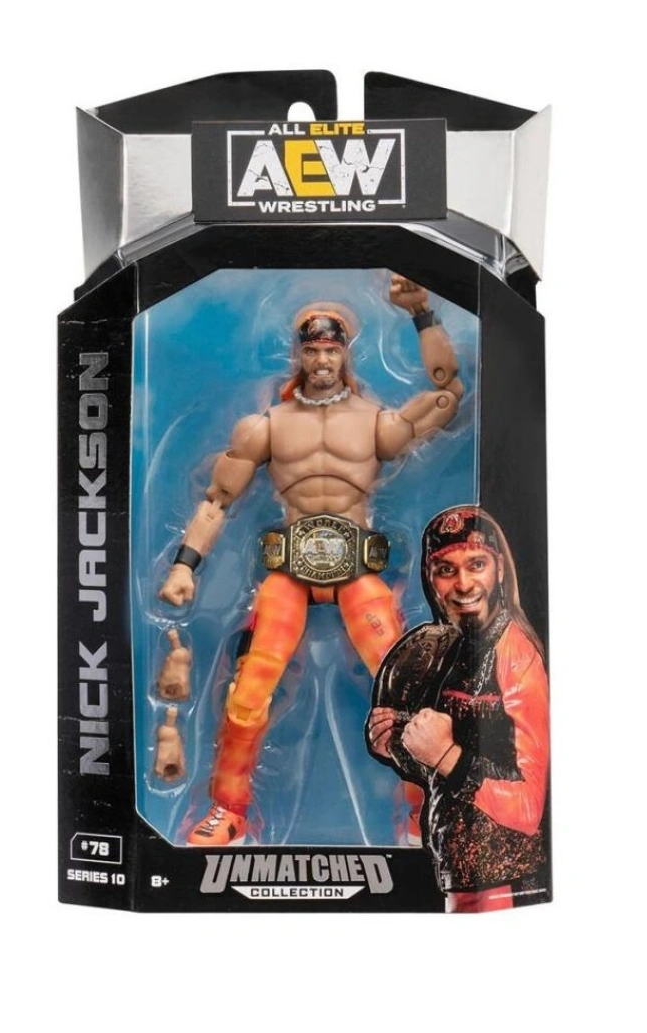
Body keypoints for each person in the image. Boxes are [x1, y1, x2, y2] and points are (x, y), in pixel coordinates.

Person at [159, 277, 465, 845]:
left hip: (358, 572)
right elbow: (217, 501)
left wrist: (422, 313)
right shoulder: (267, 427)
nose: (322, 360)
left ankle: (424, 810)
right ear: (298, 354)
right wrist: (184, 565)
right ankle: (228, 810)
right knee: (249, 689)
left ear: (344, 353)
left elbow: (448, 393)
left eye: (331, 350)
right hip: (290, 573)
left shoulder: (374, 421)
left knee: (405, 688)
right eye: (313, 350)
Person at [367, 505, 549, 911]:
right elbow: (457, 774)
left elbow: (527, 807)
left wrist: (445, 755)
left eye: (477, 565)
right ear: (430, 578)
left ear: (499, 571)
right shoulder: (455, 648)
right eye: (446, 570)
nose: (463, 584)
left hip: (505, 881)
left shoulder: (515, 654)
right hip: (459, 871)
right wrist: (398, 746)